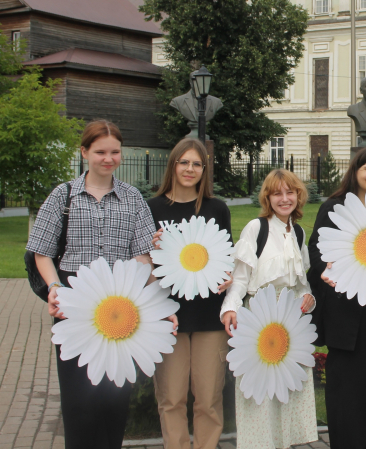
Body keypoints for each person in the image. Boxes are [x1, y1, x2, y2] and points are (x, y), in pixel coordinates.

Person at [26, 120, 169, 449]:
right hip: (75, 310)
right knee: (79, 405)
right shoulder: (63, 197)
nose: (109, 158)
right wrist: (53, 287)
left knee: (114, 402)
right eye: (100, 151)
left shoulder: (133, 199)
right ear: (84, 152)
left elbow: (144, 258)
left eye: (115, 151)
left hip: (121, 311)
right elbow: (42, 252)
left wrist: (158, 300)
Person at [307, 148, 366, 449]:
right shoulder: (335, 207)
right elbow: (316, 251)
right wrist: (324, 271)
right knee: (345, 388)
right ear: (356, 171)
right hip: (347, 314)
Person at [220, 169, 318, 449]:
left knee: (289, 387)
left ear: (298, 196)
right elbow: (240, 277)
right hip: (258, 316)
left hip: (290, 320)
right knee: (259, 391)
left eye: (290, 192)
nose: (284, 199)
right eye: (277, 193)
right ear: (268, 197)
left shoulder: (298, 232)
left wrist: (308, 297)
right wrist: (231, 308)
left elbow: (301, 283)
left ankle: (285, 442)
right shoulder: (256, 228)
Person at [147, 138, 232, 449]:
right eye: (184, 162)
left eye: (197, 164)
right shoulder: (152, 209)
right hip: (166, 316)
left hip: (209, 316)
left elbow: (227, 258)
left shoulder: (216, 209)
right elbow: (141, 265)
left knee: (209, 397)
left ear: (204, 170)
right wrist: (149, 247)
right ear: (173, 165)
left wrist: (230, 276)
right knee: (171, 397)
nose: (190, 169)